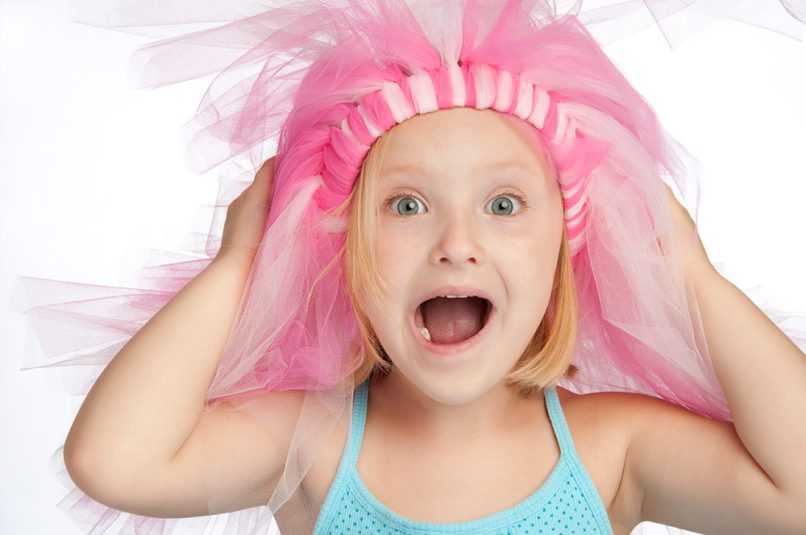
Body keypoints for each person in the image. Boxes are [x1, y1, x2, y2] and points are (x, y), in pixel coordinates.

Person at [14, 1, 806, 534]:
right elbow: (111, 460)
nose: (455, 242)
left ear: (566, 253)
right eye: (405, 206)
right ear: (343, 250)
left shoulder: (612, 449)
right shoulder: (315, 443)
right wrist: (242, 264)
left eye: (503, 206)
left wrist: (692, 277)